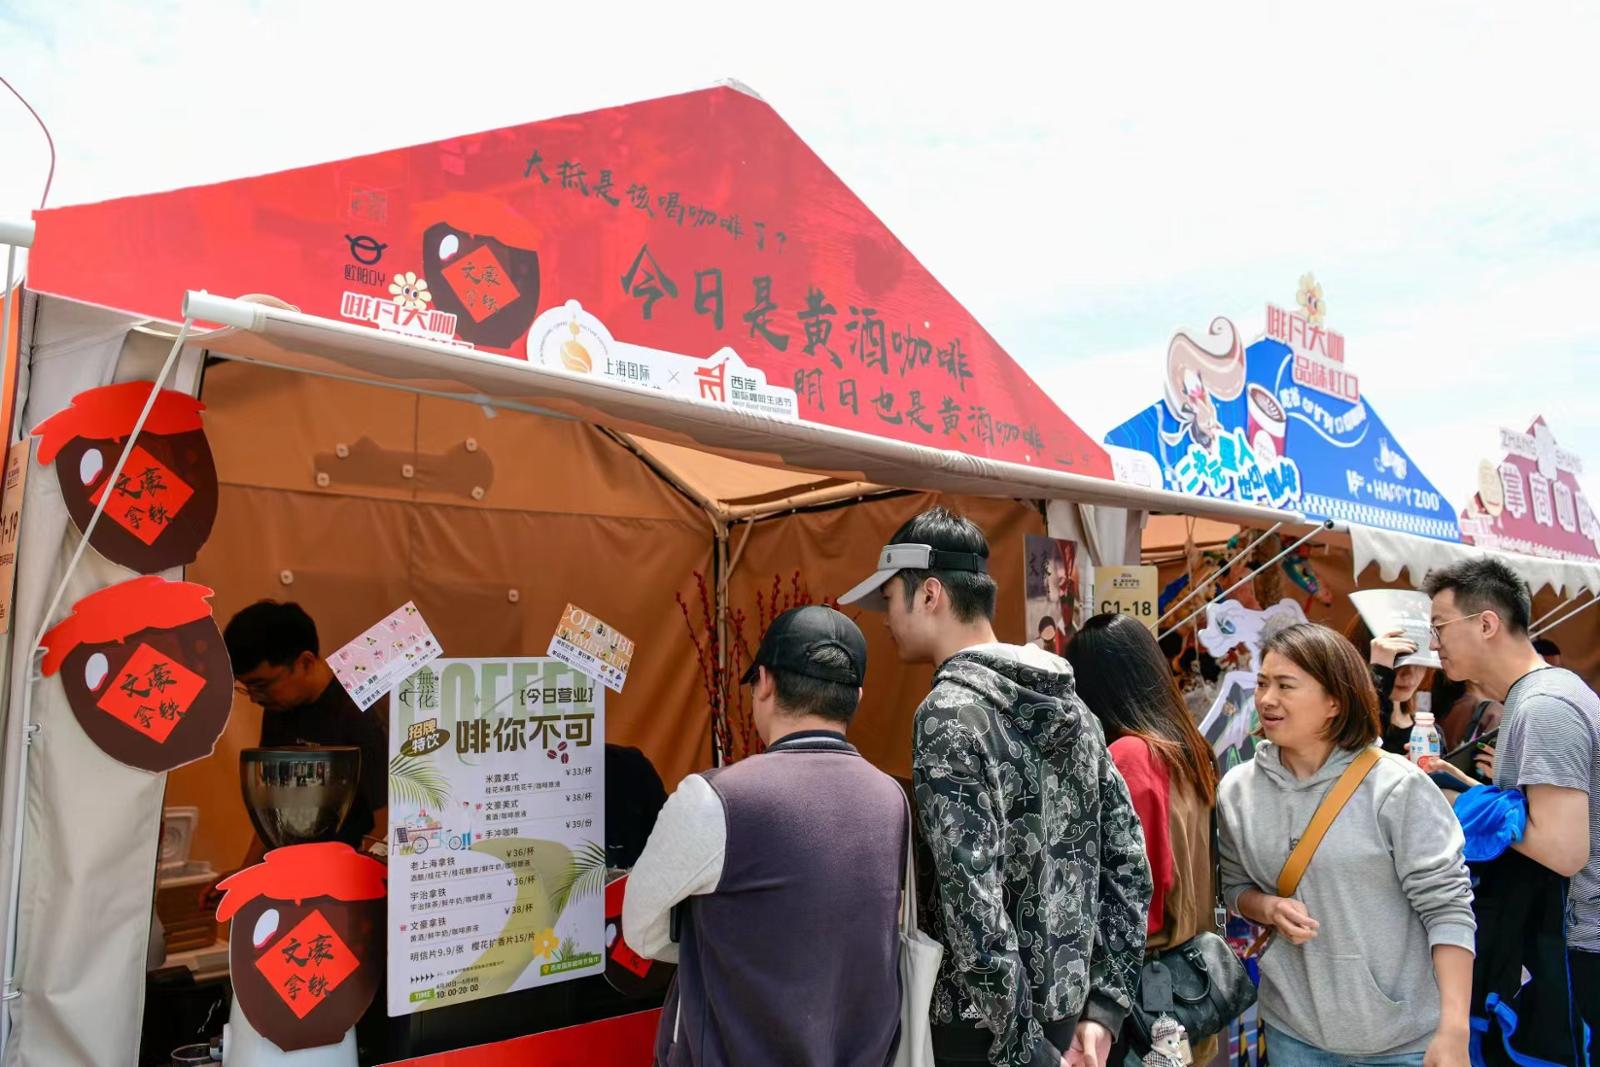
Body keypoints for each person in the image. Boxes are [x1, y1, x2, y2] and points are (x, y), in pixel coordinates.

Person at [840, 507, 1152, 1067]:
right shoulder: (1074, 709)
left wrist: (1023, 1045)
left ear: (929, 593)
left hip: (982, 1030)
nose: (885, 620)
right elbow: (1128, 862)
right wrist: (1105, 1006)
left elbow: (971, 899)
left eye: (889, 599)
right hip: (1066, 1014)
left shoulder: (947, 713)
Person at [623, 606, 906, 1067]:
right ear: (856, 696)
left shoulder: (714, 799)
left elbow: (640, 929)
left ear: (766, 683)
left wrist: (723, 947)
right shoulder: (891, 798)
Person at [1217, 623, 1474, 1065]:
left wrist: (1454, 1029)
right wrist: (1268, 907)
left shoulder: (1395, 786)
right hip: (1293, 1034)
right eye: (1262, 683)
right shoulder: (1237, 790)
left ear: (1334, 701)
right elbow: (1234, 888)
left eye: (1285, 685)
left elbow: (1447, 908)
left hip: (1403, 1042)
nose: (1267, 699)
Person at [1422, 558, 1598, 1054]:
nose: (1433, 644)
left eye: (1439, 627)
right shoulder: (1542, 694)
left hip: (1577, 951)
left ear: (1486, 624)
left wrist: (1465, 802)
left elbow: (1564, 850)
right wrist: (1464, 786)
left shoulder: (1544, 707)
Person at [1065, 613, 1221, 1065]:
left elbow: (1138, 897)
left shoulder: (1131, 755)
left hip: (1142, 997)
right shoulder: (1187, 748)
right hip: (1187, 985)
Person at [199, 601, 389, 909]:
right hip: (308, 876)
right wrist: (247, 875)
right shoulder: (280, 708)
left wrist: (352, 891)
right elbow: (276, 806)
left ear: (305, 662)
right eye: (247, 688)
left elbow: (387, 824)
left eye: (262, 685)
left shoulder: (357, 712)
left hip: (355, 881)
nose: (255, 698)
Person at [1363, 626, 1434, 756]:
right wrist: (1381, 672)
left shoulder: (1430, 732)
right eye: (1397, 660)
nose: (1409, 674)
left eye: (1419, 662)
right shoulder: (1354, 727)